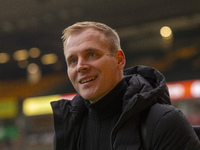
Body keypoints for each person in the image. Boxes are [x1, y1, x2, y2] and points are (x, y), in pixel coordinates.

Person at [51, 21, 200, 150]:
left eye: (91, 54)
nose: (80, 66)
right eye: (72, 61)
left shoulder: (164, 122)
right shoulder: (69, 131)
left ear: (119, 60)